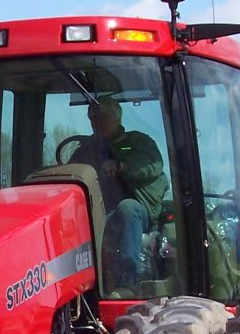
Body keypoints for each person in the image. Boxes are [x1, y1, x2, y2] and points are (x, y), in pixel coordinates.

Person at [70, 97, 168, 295]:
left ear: (118, 117)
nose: (98, 122)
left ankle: (127, 284)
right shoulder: (87, 151)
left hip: (139, 211)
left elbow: (153, 165)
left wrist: (122, 165)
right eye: (93, 118)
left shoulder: (138, 142)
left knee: (127, 208)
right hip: (101, 212)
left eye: (103, 117)